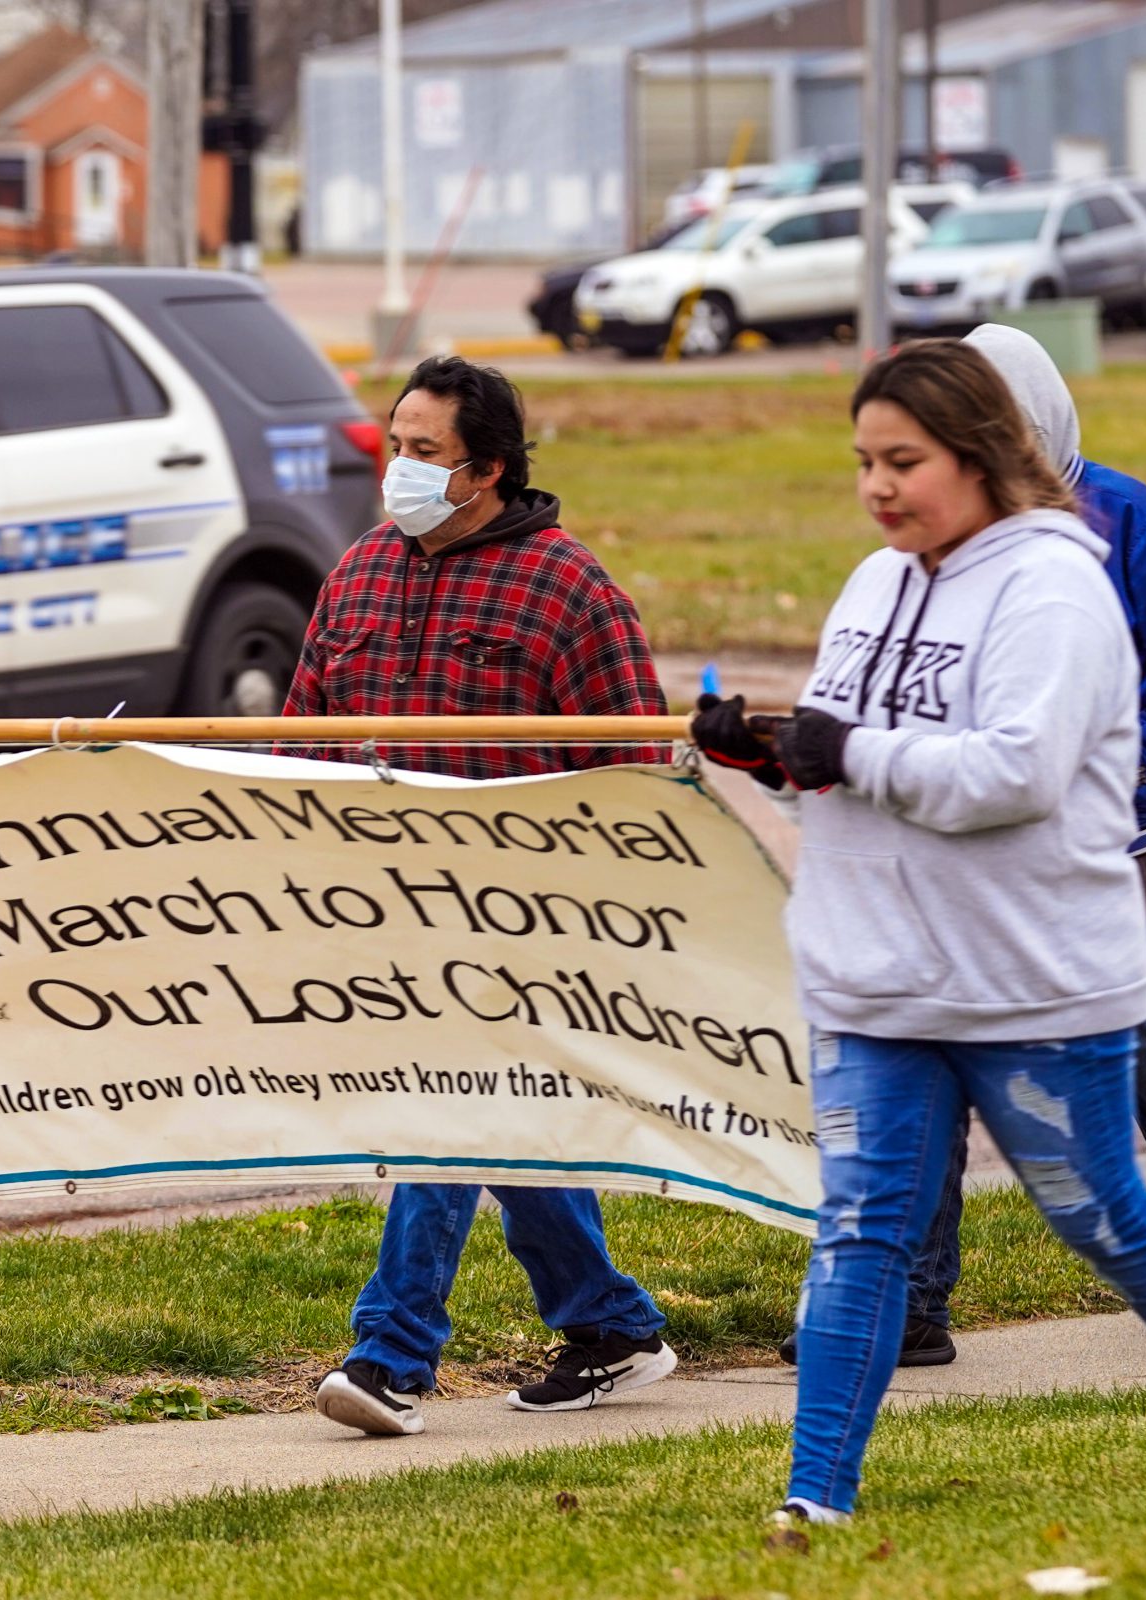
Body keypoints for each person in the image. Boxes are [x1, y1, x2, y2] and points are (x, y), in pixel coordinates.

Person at [692, 341, 1146, 1525]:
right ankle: (814, 1501)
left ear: (980, 454)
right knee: (861, 1229)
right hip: (876, 976)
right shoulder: (873, 585)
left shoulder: (1057, 585)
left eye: (903, 461)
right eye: (862, 460)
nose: (875, 486)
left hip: (1030, 977)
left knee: (1104, 1218)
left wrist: (848, 751)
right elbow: (841, 770)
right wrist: (770, 758)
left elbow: (1016, 777)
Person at [285, 355, 679, 1435]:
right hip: (384, 914)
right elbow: (296, 744)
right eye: (393, 446)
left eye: (424, 453)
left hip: (522, 923)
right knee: (497, 1121)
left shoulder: (569, 589)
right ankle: (610, 1324)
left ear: (484, 472)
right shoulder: (356, 575)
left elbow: (638, 770)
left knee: (444, 1108)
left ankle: (391, 1356)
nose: (399, 469)